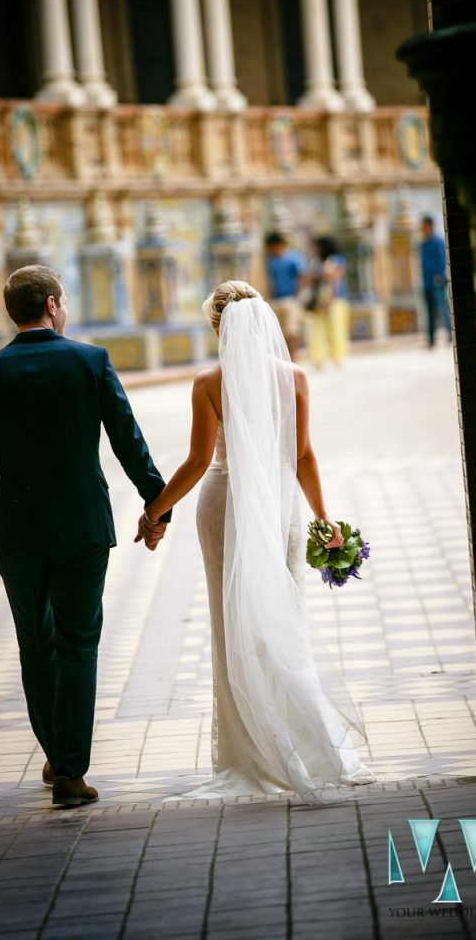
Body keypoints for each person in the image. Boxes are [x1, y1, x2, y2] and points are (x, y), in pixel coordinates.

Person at [142, 280, 376, 804]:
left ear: (219, 329)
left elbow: (199, 462)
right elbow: (304, 457)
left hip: (223, 505)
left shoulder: (207, 382)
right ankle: (301, 741)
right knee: (284, 621)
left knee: (233, 623)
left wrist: (154, 510)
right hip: (279, 506)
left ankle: (249, 749)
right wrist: (323, 518)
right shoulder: (293, 377)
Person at [0, 265, 171, 809]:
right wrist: (158, 504)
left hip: (18, 533)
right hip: (82, 526)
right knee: (78, 644)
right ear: (53, 304)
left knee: (36, 644)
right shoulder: (89, 360)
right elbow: (128, 438)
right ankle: (72, 771)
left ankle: (56, 752)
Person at [302, 236, 351, 370]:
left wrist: (330, 300)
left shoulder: (335, 259)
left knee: (336, 330)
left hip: (335, 300)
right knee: (318, 330)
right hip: (319, 300)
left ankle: (338, 357)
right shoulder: (316, 262)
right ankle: (318, 359)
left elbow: (334, 278)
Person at [264, 231, 306, 361]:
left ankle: (294, 358)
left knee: (292, 332)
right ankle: (284, 359)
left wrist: (297, 294)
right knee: (279, 333)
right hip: (275, 300)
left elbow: (302, 277)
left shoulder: (293, 258)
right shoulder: (269, 261)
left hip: (290, 299)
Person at [420, 215, 453, 347]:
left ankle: (450, 334)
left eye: (424, 226)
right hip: (427, 282)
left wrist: (438, 276)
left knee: (443, 308)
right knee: (429, 311)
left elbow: (441, 261)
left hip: (437, 282)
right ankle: (431, 339)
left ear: (430, 226)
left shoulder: (438, 242)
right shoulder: (424, 244)